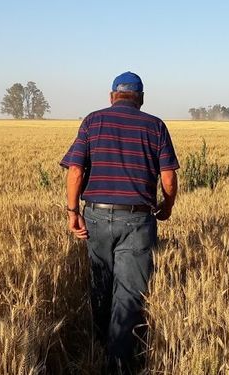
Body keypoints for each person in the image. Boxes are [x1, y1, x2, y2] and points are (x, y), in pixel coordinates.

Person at [60, 71, 179, 373]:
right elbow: (168, 176)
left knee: (101, 284)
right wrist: (167, 206)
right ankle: (119, 362)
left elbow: (75, 171)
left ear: (112, 96)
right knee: (129, 292)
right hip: (138, 219)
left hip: (96, 215)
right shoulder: (155, 125)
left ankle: (100, 346)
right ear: (141, 98)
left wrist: (73, 212)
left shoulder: (92, 121)